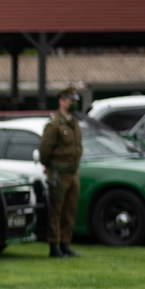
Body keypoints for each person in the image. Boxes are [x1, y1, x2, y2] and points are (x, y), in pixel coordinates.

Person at [39, 86, 84, 258]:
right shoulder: (54, 124)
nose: (73, 103)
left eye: (75, 100)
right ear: (62, 101)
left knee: (70, 210)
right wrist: (49, 165)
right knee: (56, 211)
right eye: (70, 100)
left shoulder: (74, 123)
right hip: (59, 173)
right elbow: (45, 150)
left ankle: (66, 243)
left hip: (73, 173)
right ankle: (54, 245)